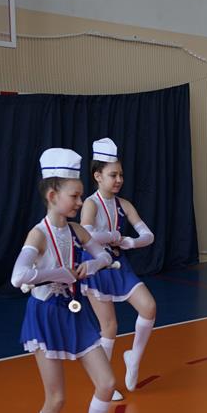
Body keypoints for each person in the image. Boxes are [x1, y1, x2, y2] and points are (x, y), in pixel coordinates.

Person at [10, 148, 118, 413]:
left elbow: (105, 257)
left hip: (75, 310)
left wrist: (91, 265)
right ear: (52, 196)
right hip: (45, 315)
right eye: (74, 196)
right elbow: (18, 276)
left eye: (81, 195)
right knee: (56, 398)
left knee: (107, 383)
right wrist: (56, 273)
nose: (79, 201)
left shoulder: (75, 231)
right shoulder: (38, 235)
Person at [78, 137, 156, 397]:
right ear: (98, 176)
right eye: (113, 175)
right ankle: (105, 383)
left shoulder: (124, 204)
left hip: (119, 264)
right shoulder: (90, 203)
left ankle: (134, 357)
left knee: (149, 307)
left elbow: (148, 236)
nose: (119, 179)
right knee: (109, 327)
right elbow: (87, 234)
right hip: (96, 266)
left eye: (121, 174)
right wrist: (114, 236)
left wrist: (130, 242)